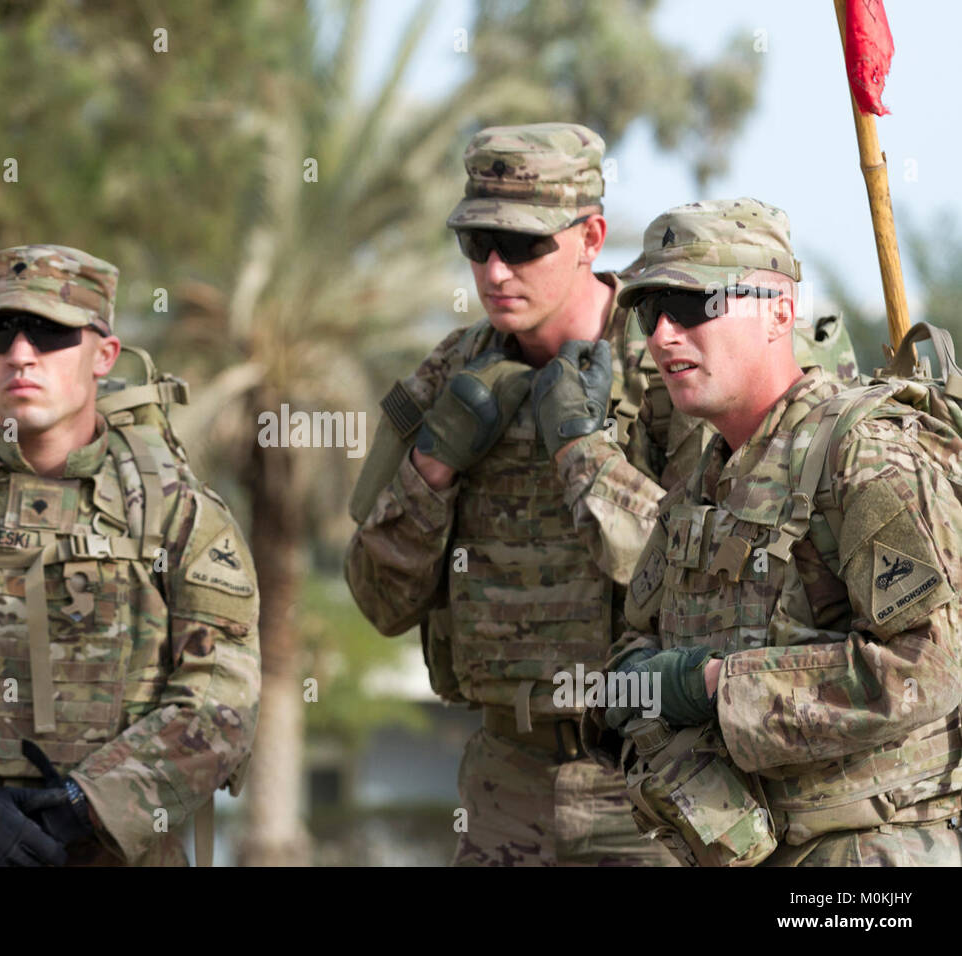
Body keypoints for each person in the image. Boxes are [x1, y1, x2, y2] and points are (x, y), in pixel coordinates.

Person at [345, 124, 709, 865]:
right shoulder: (453, 370)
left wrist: (583, 453)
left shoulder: (667, 364)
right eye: (477, 245)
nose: (495, 271)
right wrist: (432, 469)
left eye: (522, 246)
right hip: (505, 785)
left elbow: (698, 584)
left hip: (653, 783)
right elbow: (379, 600)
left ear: (591, 236)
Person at [599, 197, 962, 865]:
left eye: (693, 306)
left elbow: (930, 668)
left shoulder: (863, 458)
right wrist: (642, 689)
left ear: (779, 311)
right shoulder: (701, 483)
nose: (662, 336)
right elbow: (634, 647)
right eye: (650, 312)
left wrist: (717, 687)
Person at [0, 244, 261, 866]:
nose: (20, 354)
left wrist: (89, 803)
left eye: (50, 332)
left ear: (104, 354)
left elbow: (222, 702)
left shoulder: (178, 515)